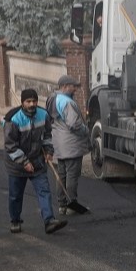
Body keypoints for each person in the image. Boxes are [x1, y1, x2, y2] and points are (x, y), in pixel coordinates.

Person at [3, 89, 67, 235]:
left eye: (34, 101)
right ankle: (15, 220)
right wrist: (24, 162)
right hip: (16, 165)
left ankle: (49, 221)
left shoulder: (43, 115)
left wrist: (49, 151)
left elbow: (47, 135)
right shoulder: (12, 119)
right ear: (22, 103)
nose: (32, 104)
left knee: (44, 191)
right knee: (15, 195)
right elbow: (10, 146)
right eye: (28, 101)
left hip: (37, 161)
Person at [49, 74, 92, 215]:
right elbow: (74, 124)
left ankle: (62, 204)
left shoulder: (53, 99)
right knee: (72, 175)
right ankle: (71, 203)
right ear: (65, 86)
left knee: (61, 175)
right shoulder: (67, 102)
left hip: (59, 145)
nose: (75, 89)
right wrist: (86, 131)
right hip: (71, 145)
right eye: (73, 86)